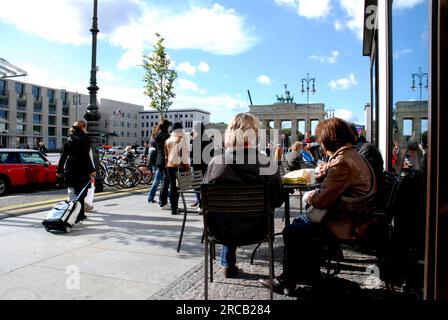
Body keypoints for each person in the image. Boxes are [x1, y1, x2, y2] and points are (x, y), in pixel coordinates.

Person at [262, 117, 376, 294]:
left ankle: (290, 280)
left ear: (329, 139)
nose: (320, 144)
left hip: (348, 223)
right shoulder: (350, 155)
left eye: (321, 140)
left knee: (293, 230)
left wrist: (308, 197)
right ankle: (304, 275)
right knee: (301, 223)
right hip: (355, 216)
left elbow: (322, 199)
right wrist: (327, 169)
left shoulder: (342, 161)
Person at [203, 113, 284, 278]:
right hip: (258, 229)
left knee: (228, 214)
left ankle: (228, 264)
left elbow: (205, 199)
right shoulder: (266, 163)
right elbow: (278, 199)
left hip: (221, 230)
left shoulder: (215, 162)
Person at [57, 120, 96, 223]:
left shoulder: (69, 138)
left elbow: (64, 156)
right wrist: (92, 170)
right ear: (83, 127)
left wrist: (59, 169)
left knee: (73, 192)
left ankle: (78, 214)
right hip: (82, 169)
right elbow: (86, 156)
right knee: (81, 193)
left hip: (70, 168)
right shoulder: (84, 138)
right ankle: (79, 215)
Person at [164, 122, 190, 215]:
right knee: (178, 187)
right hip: (180, 167)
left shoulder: (167, 140)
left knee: (172, 187)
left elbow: (166, 156)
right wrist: (188, 168)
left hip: (170, 166)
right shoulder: (182, 140)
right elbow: (184, 157)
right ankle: (175, 207)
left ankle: (173, 208)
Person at [189, 122, 212, 210]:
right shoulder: (209, 139)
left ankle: (200, 203)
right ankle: (204, 203)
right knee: (205, 185)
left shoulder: (194, 140)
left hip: (196, 166)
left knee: (196, 185)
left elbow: (191, 155)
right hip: (206, 165)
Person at [154, 119, 171, 209]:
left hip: (158, 160)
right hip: (165, 160)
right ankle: (163, 202)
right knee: (165, 181)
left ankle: (162, 202)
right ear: (167, 126)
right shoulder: (167, 135)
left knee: (163, 181)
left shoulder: (157, 134)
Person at [147, 127, 162, 203]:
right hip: (157, 162)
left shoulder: (152, 139)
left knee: (160, 180)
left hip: (153, 161)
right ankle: (151, 197)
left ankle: (166, 195)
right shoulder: (156, 139)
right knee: (157, 181)